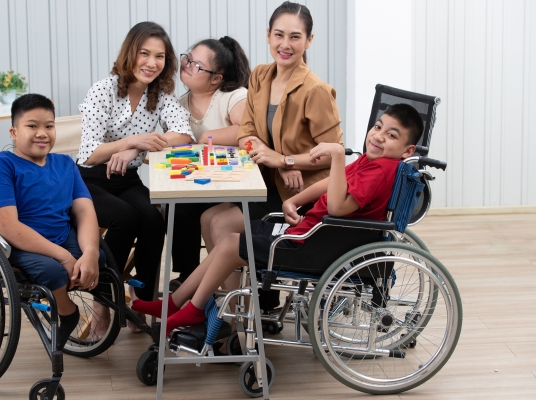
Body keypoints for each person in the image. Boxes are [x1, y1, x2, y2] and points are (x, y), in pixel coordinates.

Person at [131, 103, 424, 334]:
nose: (378, 136)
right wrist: (295, 199)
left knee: (232, 243)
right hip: (308, 232)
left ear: (408, 150)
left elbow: (337, 206)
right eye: (378, 126)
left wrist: (336, 155)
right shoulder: (372, 162)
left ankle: (191, 308)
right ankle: (175, 303)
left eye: (391, 135)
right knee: (230, 241)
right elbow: (338, 182)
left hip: (315, 245)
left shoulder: (381, 170)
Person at [200, 1, 344, 303]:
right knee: (207, 218)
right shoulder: (261, 76)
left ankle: (239, 311)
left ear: (309, 40)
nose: (285, 44)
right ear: (268, 36)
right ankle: (240, 304)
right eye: (279, 35)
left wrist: (287, 160)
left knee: (219, 223)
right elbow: (247, 134)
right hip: (270, 182)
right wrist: (276, 161)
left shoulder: (315, 90)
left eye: (295, 37)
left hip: (302, 194)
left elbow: (334, 153)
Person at [76, 22, 194, 330]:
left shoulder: (161, 95)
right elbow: (89, 154)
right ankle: (102, 301)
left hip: (126, 180)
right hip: (89, 179)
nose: (152, 63)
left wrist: (136, 148)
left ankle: (140, 299)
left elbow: (184, 135)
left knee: (154, 219)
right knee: (126, 218)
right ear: (131, 53)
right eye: (145, 53)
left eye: (160, 56)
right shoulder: (103, 90)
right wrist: (135, 141)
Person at [0, 93, 105, 349]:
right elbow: (7, 226)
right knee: (52, 270)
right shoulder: (1, 165)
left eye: (49, 126)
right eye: (32, 126)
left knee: (98, 257)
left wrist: (89, 252)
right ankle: (67, 312)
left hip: (58, 233)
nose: (42, 133)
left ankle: (75, 292)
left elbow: (84, 211)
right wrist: (65, 257)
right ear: (14, 132)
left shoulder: (64, 163)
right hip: (14, 243)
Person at [170, 36, 251, 289]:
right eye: (188, 58)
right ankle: (189, 276)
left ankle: (212, 285)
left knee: (202, 214)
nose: (187, 64)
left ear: (216, 78)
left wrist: (207, 137)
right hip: (199, 183)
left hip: (231, 186)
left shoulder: (232, 97)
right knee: (176, 210)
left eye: (196, 64)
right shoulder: (179, 105)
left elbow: (246, 130)